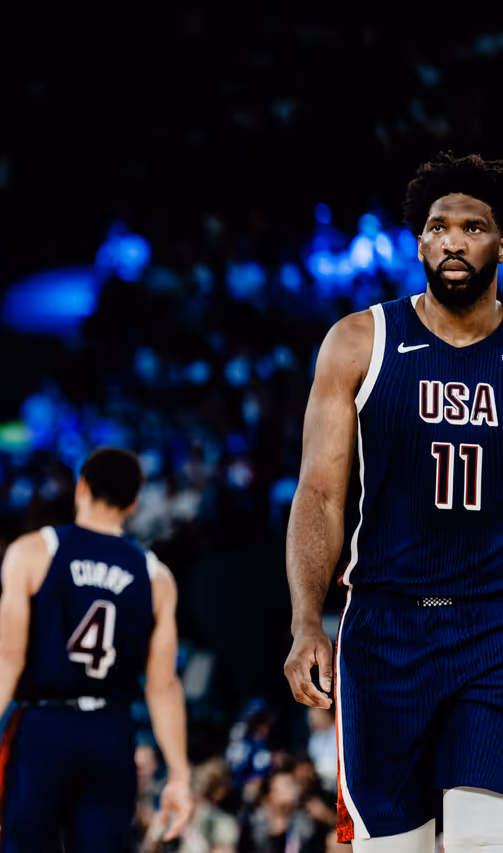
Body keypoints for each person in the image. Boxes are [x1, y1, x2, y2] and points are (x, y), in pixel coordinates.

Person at [285, 151, 503, 851]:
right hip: (386, 629)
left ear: (502, 242)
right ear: (419, 243)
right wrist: (305, 622)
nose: (454, 241)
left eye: (473, 227)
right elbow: (320, 493)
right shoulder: (358, 341)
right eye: (439, 227)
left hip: (493, 626)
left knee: (480, 839)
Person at [0, 447, 193, 851]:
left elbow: (7, 655)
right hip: (112, 731)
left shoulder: (34, 551)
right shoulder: (157, 577)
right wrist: (179, 775)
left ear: (81, 487)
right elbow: (163, 686)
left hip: (45, 727)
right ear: (134, 502)